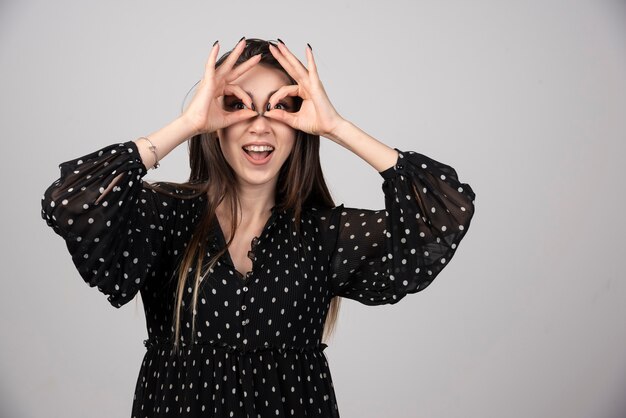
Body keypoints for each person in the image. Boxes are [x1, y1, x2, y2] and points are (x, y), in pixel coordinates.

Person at [41, 37, 476, 417]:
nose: (260, 123)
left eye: (282, 106)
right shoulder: (165, 217)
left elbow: (441, 216)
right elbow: (70, 200)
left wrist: (337, 127)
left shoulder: (324, 235)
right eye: (236, 105)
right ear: (215, 122)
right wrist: (188, 123)